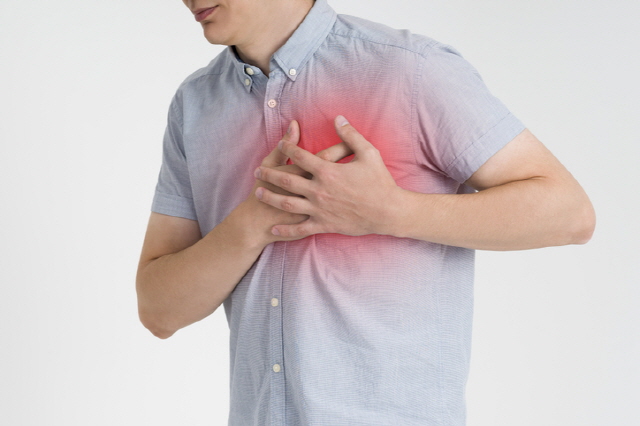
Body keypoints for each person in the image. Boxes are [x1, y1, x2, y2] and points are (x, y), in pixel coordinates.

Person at [136, 0, 595, 424]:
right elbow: (159, 310)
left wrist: (392, 211)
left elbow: (569, 213)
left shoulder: (411, 70)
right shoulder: (195, 105)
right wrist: (252, 222)